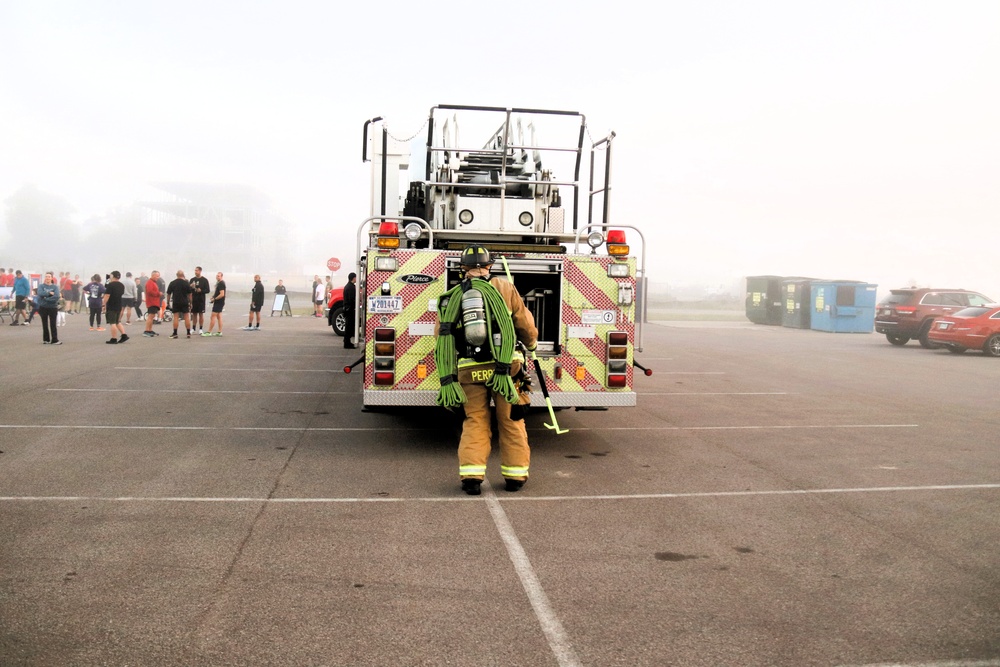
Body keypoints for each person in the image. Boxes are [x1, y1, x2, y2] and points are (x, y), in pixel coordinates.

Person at [435, 245, 538, 496]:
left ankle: (472, 477)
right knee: (511, 419)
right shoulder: (503, 287)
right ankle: (515, 477)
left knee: (475, 421)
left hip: (469, 369)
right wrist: (532, 343)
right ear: (490, 266)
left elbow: (441, 336)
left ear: (463, 268)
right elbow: (523, 322)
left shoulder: (451, 296)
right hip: (506, 370)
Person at [102, 271, 129, 344]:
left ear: (112, 276)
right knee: (117, 321)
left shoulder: (110, 285)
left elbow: (107, 295)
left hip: (111, 305)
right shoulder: (121, 285)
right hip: (119, 304)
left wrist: (104, 304)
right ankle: (124, 335)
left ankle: (114, 338)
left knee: (112, 323)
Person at [165, 269, 193, 338]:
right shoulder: (186, 283)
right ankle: (188, 333)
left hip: (176, 302)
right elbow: (190, 294)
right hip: (184, 302)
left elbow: (168, 294)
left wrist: (168, 302)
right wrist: (191, 302)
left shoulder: (172, 283)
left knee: (176, 317)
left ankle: (175, 333)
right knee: (186, 317)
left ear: (176, 275)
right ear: (183, 275)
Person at [37, 272, 62, 345]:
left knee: (53, 324)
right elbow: (40, 293)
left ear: (51, 278)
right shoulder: (41, 286)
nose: (47, 278)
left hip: (52, 307)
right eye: (46, 276)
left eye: (49, 277)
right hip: (43, 307)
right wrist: (49, 294)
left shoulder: (55, 287)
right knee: (44, 323)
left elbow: (56, 296)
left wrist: (46, 299)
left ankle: (54, 339)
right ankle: (46, 339)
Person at [189, 266, 210, 334]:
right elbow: (189, 290)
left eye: (197, 271)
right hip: (194, 299)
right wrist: (191, 286)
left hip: (201, 300)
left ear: (200, 271)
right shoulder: (192, 279)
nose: (195, 272)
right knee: (194, 314)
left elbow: (208, 290)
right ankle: (193, 328)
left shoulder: (204, 280)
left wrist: (201, 290)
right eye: (195, 270)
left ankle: (201, 328)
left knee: (201, 314)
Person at [204, 272, 226, 336]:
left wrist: (215, 299)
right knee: (219, 317)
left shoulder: (221, 283)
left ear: (221, 276)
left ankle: (209, 332)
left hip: (219, 302)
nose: (217, 277)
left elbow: (222, 294)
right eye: (217, 276)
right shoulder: (218, 283)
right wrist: (213, 297)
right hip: (219, 302)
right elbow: (217, 292)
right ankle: (219, 331)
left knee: (213, 316)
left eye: (219, 276)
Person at [143, 271, 162, 338]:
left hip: (154, 301)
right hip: (152, 302)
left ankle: (150, 330)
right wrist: (158, 294)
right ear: (153, 275)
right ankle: (146, 330)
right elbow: (150, 291)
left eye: (158, 276)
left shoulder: (153, 282)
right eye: (157, 276)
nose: (158, 277)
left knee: (152, 316)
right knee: (150, 316)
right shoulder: (150, 282)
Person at [343, 272, 357, 348]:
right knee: (349, 326)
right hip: (350, 309)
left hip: (347, 309)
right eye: (356, 277)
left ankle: (346, 341)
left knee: (348, 326)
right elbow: (352, 299)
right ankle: (347, 343)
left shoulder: (347, 286)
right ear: (353, 278)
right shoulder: (351, 287)